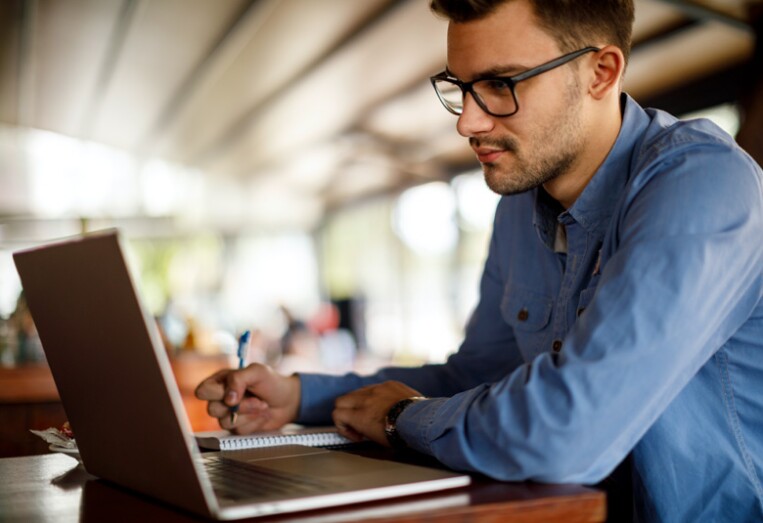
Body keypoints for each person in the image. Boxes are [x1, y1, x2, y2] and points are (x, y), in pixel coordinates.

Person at [195, 1, 763, 521]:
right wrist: (300, 396)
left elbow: (564, 431)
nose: (468, 122)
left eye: (499, 84)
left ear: (601, 72)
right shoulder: (520, 206)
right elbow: (478, 377)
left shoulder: (704, 183)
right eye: (461, 86)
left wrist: (400, 420)